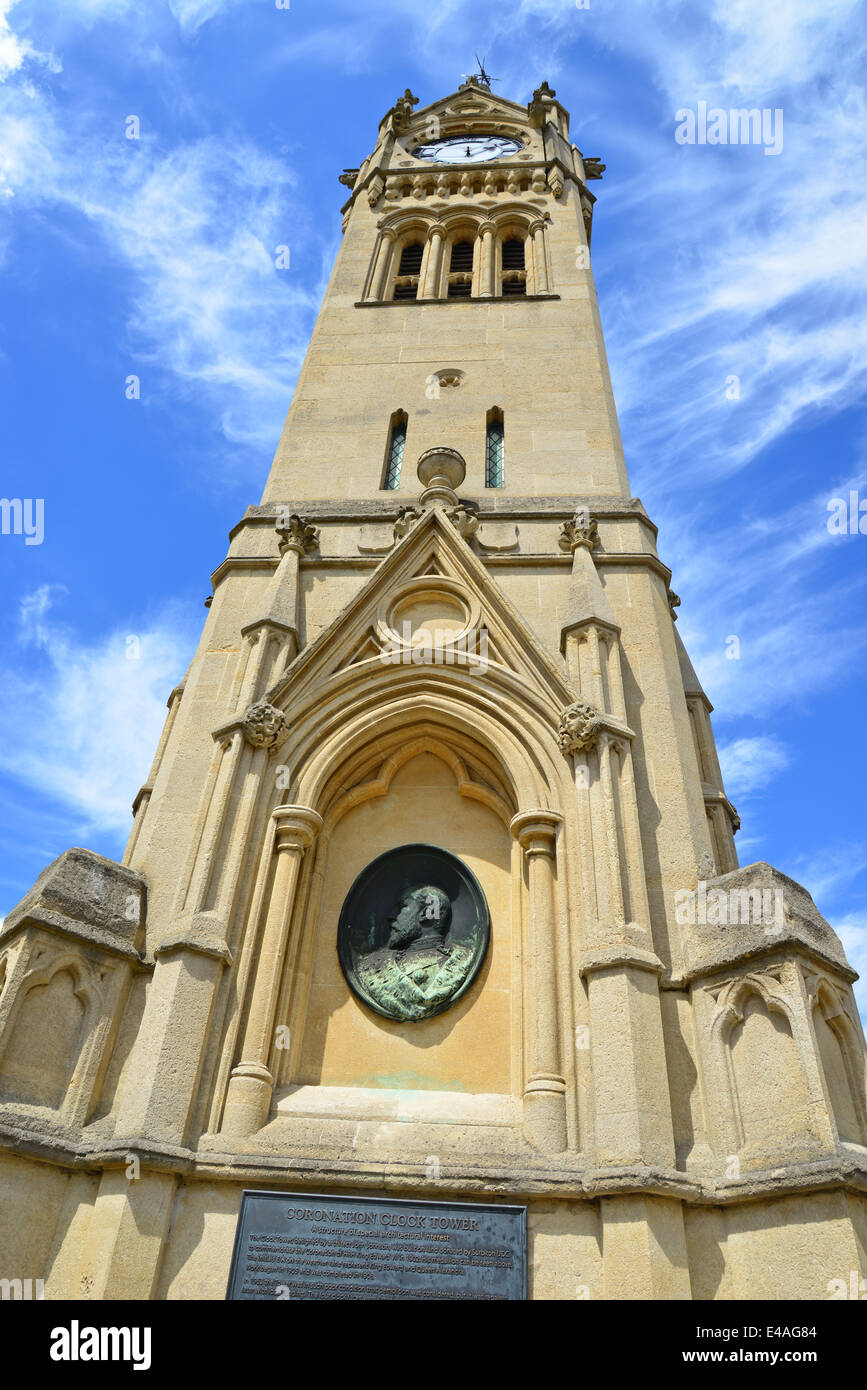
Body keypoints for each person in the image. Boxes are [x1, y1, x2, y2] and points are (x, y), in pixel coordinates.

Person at [354, 884, 473, 1020]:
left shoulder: (464, 960)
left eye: (403, 907)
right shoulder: (371, 967)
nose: (392, 916)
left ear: (426, 913)